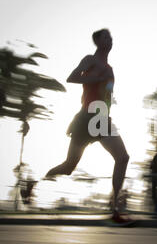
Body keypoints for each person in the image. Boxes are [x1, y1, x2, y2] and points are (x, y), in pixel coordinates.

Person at [45, 29, 131, 225]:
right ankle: (44, 177)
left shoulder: (110, 69)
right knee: (69, 167)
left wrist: (109, 99)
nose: (110, 40)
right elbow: (72, 77)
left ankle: (114, 208)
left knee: (123, 157)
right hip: (86, 118)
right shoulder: (90, 60)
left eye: (111, 37)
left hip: (101, 117)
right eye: (106, 37)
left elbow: (107, 92)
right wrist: (95, 80)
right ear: (97, 41)